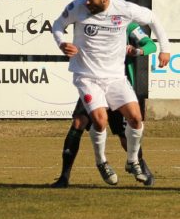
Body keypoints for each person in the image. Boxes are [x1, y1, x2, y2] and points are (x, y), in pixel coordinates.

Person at [52, 0, 170, 186]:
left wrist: (164, 49)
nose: (86, 2)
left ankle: (134, 161)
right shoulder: (76, 7)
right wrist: (62, 43)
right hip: (87, 76)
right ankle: (101, 162)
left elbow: (152, 19)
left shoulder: (125, 11)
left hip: (115, 77)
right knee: (98, 121)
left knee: (135, 118)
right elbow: (58, 25)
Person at [51, 22, 157, 188]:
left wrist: (137, 50)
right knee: (79, 121)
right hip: (94, 82)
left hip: (117, 86)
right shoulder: (89, 20)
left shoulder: (127, 24)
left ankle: (139, 164)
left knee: (125, 135)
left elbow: (150, 44)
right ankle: (64, 177)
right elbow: (63, 23)